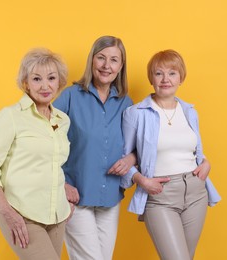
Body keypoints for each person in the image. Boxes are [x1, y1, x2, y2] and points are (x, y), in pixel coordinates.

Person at [119, 50, 221, 260]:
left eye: (172, 73)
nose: (166, 79)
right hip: (160, 196)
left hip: (196, 192)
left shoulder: (190, 111)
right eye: (159, 73)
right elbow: (123, 161)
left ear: (181, 78)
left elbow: (194, 150)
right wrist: (142, 181)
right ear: (151, 78)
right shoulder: (136, 114)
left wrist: (206, 162)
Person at [0, 48, 74, 260]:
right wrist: (7, 212)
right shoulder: (10, 116)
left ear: (60, 82)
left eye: (51, 78)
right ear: (26, 83)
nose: (45, 85)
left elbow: (52, 163)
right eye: (37, 79)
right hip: (21, 213)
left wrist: (65, 193)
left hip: (57, 215)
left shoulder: (62, 120)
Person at [53, 35, 135, 260]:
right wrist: (62, 184)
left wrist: (131, 159)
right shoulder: (69, 97)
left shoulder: (125, 103)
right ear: (91, 60)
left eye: (114, 60)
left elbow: (138, 144)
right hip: (76, 196)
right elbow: (44, 140)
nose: (106, 66)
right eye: (101, 58)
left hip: (110, 197)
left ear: (121, 67)